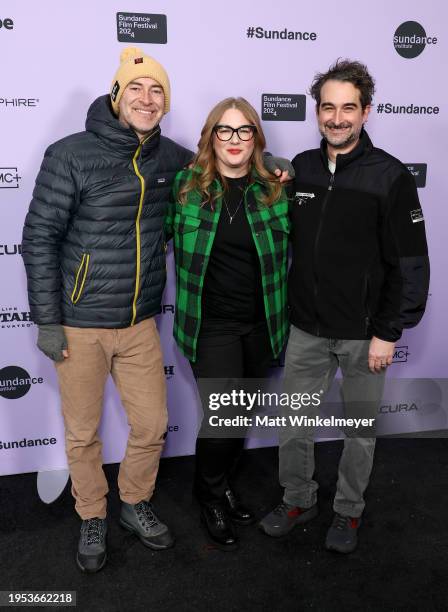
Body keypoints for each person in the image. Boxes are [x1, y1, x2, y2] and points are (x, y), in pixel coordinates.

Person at [21, 47, 292, 572]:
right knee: (82, 433)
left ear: (166, 103)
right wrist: (47, 320)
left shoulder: (169, 158)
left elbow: (225, 163)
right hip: (80, 324)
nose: (147, 99)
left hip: (141, 321)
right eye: (137, 89)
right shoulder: (70, 154)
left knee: (151, 426)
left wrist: (274, 164)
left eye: (158, 91)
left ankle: (135, 503)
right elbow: (39, 239)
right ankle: (93, 514)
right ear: (118, 95)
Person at [259, 59, 430, 553]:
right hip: (307, 329)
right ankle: (298, 499)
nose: (337, 117)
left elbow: (412, 264)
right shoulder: (303, 169)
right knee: (294, 426)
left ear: (366, 112)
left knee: (359, 433)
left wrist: (389, 331)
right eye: (328, 107)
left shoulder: (391, 177)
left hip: (365, 334)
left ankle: (348, 512)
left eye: (348, 108)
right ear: (317, 113)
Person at [166, 97, 290, 551]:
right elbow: (146, 236)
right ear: (211, 136)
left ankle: (221, 485)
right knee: (223, 418)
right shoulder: (185, 186)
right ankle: (210, 497)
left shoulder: (275, 190)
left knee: (240, 417)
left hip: (262, 326)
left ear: (256, 138)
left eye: (244, 131)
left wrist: (281, 167)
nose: (234, 140)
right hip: (210, 325)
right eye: (225, 130)